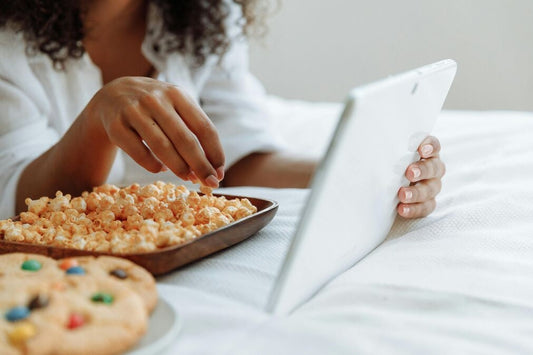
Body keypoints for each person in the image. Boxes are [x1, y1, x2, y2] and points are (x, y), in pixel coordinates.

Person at [0, 0, 445, 219]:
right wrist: (99, 120)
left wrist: (362, 169)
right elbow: (19, 203)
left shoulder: (204, 13)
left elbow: (238, 157)